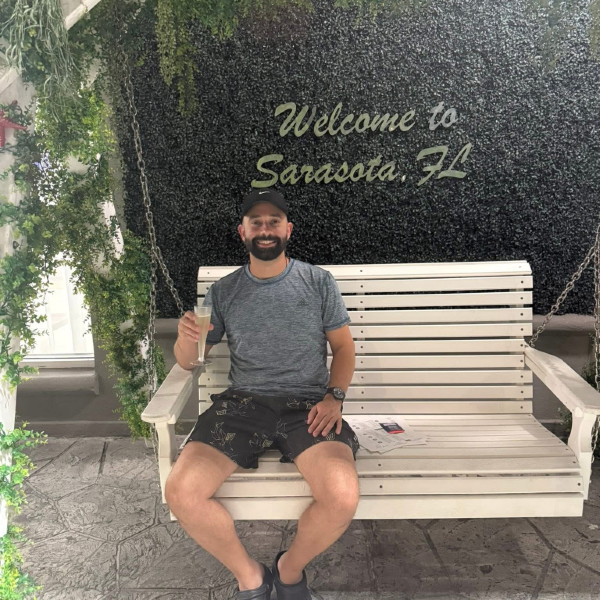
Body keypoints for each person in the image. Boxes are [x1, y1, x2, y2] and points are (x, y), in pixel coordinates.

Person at [166, 188, 360, 600]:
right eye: (256, 222)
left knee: (341, 497)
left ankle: (288, 571)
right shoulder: (223, 292)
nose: (266, 229)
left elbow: (344, 348)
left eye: (274, 221)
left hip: (307, 406)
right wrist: (185, 337)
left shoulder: (318, 282)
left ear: (289, 229)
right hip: (243, 404)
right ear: (243, 232)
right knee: (181, 492)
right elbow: (190, 361)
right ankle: (251, 577)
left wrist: (334, 397)